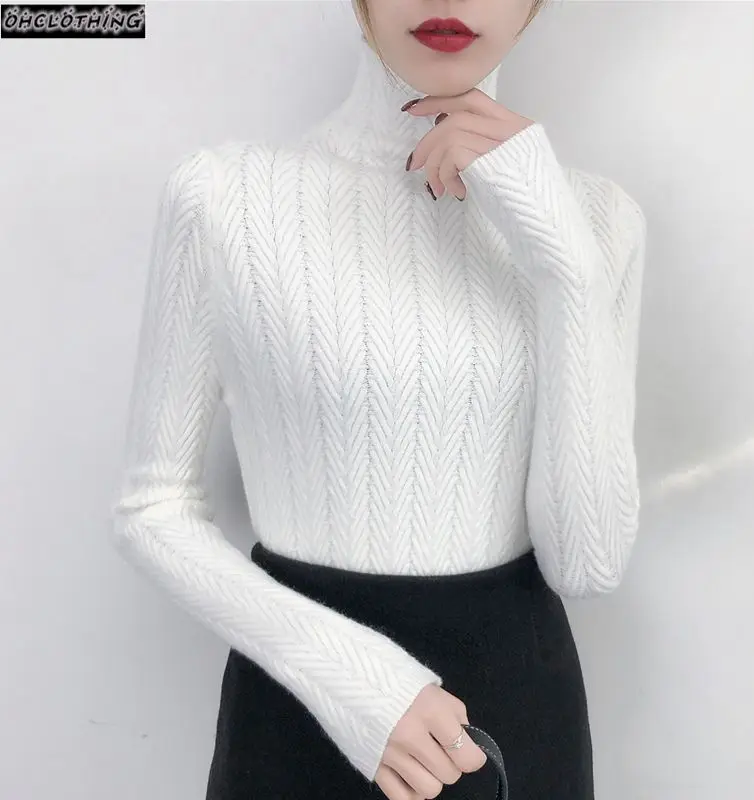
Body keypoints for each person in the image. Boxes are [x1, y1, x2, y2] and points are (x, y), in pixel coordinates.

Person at [109, 1, 647, 798]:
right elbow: (151, 506)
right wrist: (354, 680)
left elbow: (588, 564)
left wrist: (567, 271)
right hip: (297, 705)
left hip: (516, 711)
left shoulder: (597, 221)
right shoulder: (226, 197)